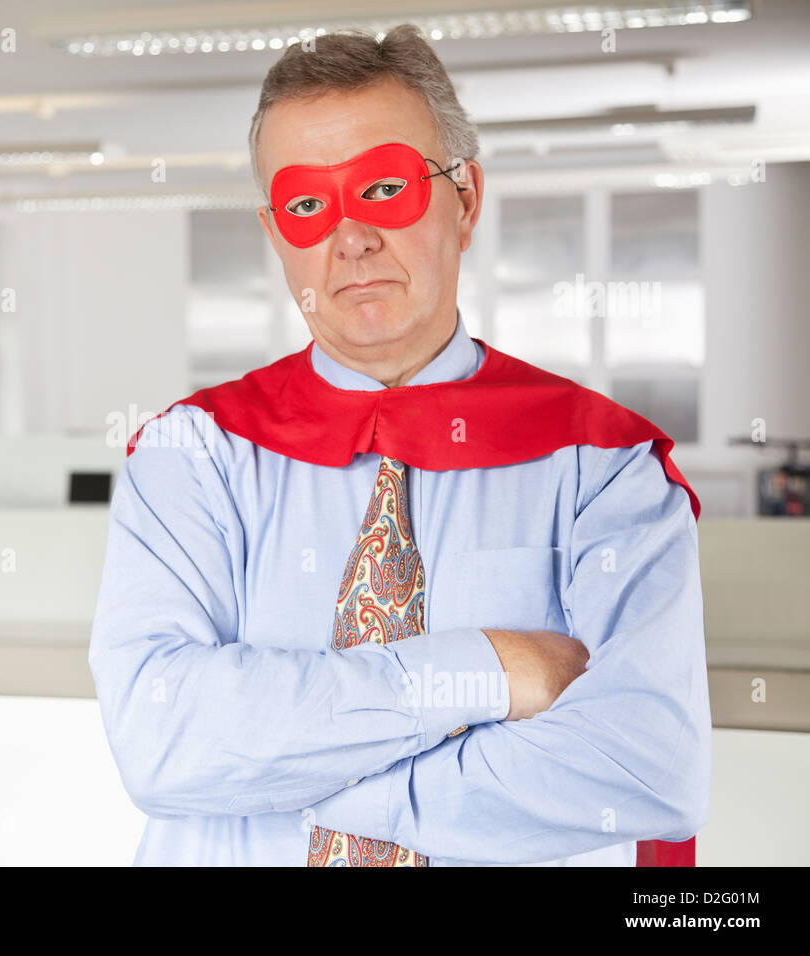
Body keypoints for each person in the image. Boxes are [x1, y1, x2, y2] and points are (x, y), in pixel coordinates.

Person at [88, 25, 710, 866]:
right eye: (308, 205)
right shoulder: (192, 458)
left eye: (383, 188)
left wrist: (304, 780)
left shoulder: (602, 468)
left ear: (466, 199)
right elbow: (162, 739)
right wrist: (483, 670)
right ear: (278, 235)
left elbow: (645, 765)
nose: (350, 239)